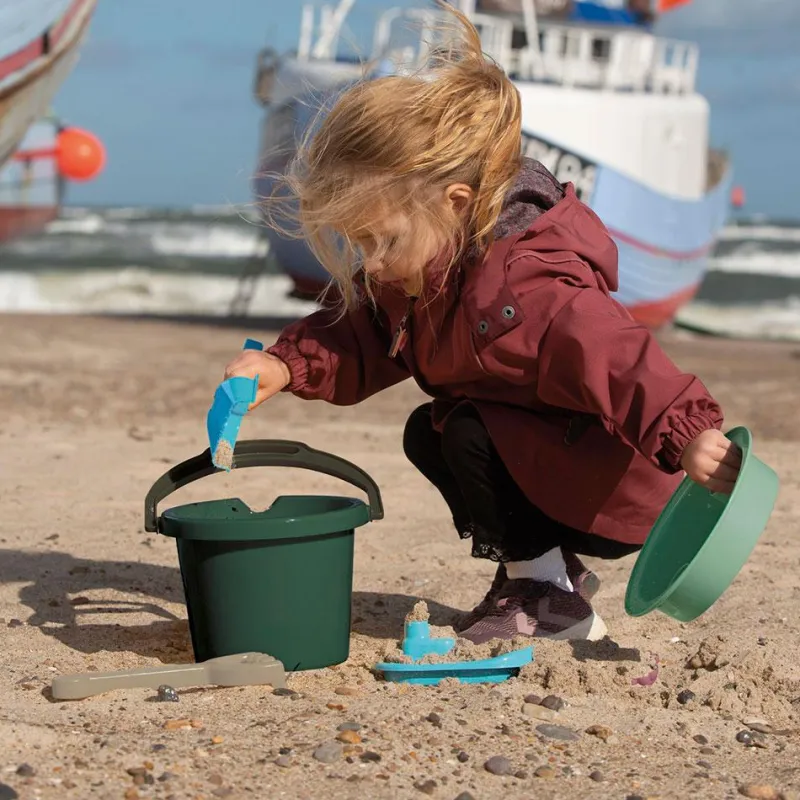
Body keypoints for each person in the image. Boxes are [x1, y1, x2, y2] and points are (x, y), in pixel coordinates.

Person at [224, 4, 741, 644]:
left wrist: (687, 433)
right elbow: (359, 333)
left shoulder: (531, 284)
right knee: (430, 431)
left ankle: (548, 598)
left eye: (383, 240)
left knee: (466, 430)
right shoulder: (421, 273)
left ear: (456, 205)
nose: (372, 263)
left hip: (618, 484)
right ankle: (547, 575)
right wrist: (284, 364)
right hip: (551, 466)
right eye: (361, 244)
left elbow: (619, 358)